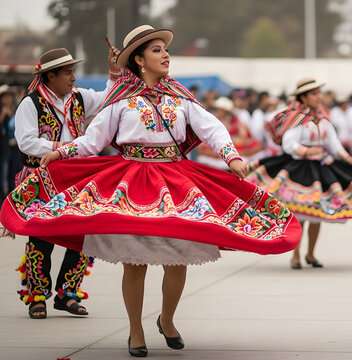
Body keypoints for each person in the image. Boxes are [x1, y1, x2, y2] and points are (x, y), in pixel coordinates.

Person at [0, 25, 301, 357]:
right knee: (136, 262)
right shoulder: (119, 100)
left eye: (165, 49)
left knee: (178, 257)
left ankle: (167, 320)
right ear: (140, 60)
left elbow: (210, 125)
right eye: (157, 50)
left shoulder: (180, 96)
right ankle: (135, 330)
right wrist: (62, 153)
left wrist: (231, 156)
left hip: (176, 180)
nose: (165, 54)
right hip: (132, 183)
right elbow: (92, 141)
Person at [8, 45, 121, 320]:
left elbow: (109, 97)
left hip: (75, 180)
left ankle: (67, 294)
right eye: (68, 73)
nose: (73, 78)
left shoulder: (78, 97)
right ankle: (36, 296)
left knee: (82, 236)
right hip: (42, 179)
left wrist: (114, 71)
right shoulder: (30, 103)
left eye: (73, 72)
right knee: (41, 237)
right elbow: (26, 142)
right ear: (51, 76)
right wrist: (69, 146)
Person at [249, 78, 352, 269]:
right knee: (300, 215)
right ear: (303, 97)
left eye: (318, 93)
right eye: (313, 94)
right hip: (299, 169)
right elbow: (289, 145)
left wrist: (345, 157)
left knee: (318, 214)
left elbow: (333, 143)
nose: (318, 97)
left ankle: (311, 254)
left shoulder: (322, 119)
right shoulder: (296, 119)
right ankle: (296, 256)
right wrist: (307, 151)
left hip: (320, 168)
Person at [197, 97, 264, 169]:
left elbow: (242, 136)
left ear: (225, 111)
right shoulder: (216, 119)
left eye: (220, 110)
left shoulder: (236, 123)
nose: (218, 111)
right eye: (218, 109)